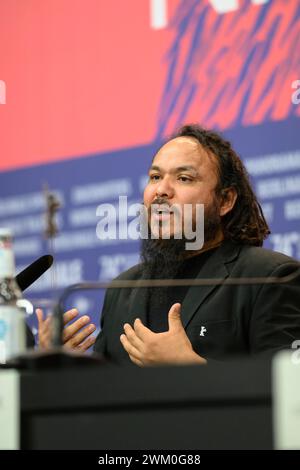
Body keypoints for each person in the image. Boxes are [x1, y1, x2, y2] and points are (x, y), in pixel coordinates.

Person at [37, 124, 300, 365]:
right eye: (154, 177)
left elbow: (286, 396)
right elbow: (105, 397)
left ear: (225, 201)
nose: (161, 190)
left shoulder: (270, 276)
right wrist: (61, 363)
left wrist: (190, 369)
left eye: (183, 178)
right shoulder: (121, 290)